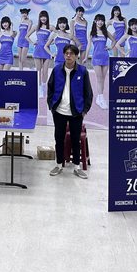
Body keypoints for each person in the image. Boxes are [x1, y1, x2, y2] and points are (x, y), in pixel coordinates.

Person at [47, 44, 93, 179]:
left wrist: (84, 110)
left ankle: (77, 167)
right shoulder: (56, 70)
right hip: (59, 111)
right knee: (59, 139)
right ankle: (58, 164)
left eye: (72, 53)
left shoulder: (82, 71)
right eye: (66, 53)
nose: (69, 56)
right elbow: (50, 88)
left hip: (76, 112)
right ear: (63, 55)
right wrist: (52, 106)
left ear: (76, 56)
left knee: (75, 140)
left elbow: (88, 93)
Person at [83, 14, 114, 110]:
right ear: (95, 21)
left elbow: (114, 41)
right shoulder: (92, 33)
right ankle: (101, 98)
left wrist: (110, 47)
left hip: (105, 57)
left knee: (103, 79)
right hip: (96, 58)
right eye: (98, 20)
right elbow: (88, 46)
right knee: (99, 78)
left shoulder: (105, 32)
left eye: (102, 20)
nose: (100, 22)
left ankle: (99, 98)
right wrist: (86, 57)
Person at [28, 10, 52, 98]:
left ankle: (44, 87)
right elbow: (26, 36)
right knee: (38, 70)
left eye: (44, 16)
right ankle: (39, 88)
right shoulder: (36, 27)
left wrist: (51, 42)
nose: (43, 18)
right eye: (41, 16)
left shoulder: (51, 27)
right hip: (38, 50)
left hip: (46, 50)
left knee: (45, 71)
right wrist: (33, 43)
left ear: (47, 17)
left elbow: (58, 35)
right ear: (39, 18)